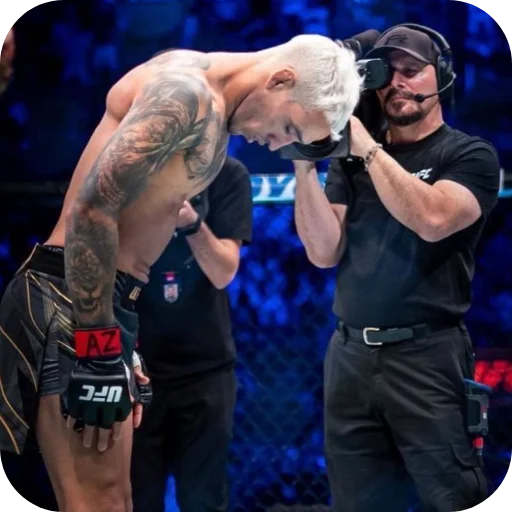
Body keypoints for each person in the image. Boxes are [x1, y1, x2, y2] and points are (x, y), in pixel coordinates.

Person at [0, 34, 362, 512]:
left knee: (116, 500)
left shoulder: (203, 96)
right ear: (280, 80)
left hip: (101, 303)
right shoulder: (187, 95)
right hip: (71, 300)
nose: (278, 144)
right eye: (290, 127)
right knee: (98, 502)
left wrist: (118, 340)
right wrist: (98, 348)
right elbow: (91, 208)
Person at [292, 24, 501, 511]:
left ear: (441, 77)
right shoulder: (350, 163)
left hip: (426, 356)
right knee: (356, 501)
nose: (398, 83)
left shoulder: (469, 154)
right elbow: (323, 252)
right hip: (349, 356)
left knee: (452, 497)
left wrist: (365, 145)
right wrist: (304, 164)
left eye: (412, 70)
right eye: (388, 74)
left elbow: (433, 219)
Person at [130, 155, 252, 512]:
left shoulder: (228, 174)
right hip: (138, 367)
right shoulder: (131, 170)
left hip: (206, 369)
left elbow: (223, 272)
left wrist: (191, 222)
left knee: (204, 501)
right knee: (136, 499)